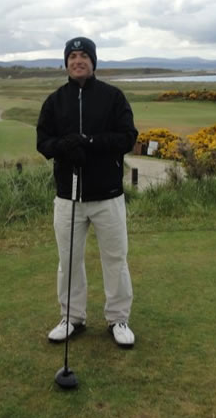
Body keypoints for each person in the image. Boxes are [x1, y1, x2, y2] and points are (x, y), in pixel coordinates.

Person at [36, 37, 139, 348]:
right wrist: (64, 147)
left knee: (115, 259)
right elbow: (43, 142)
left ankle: (118, 318)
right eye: (72, 56)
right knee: (68, 261)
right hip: (68, 197)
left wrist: (90, 144)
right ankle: (72, 317)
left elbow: (127, 137)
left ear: (94, 62)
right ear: (66, 62)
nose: (77, 61)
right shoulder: (55, 101)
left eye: (83, 56)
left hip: (107, 195)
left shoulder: (113, 97)